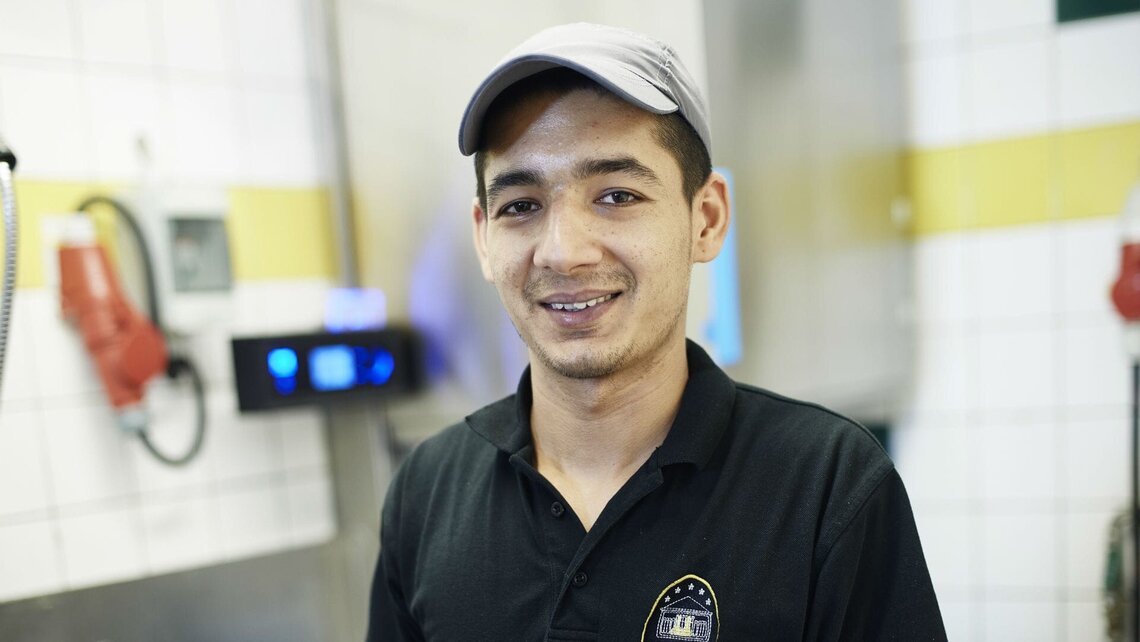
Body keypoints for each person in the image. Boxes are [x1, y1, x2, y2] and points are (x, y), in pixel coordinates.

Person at [368, 22, 946, 641]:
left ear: (707, 219)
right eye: (521, 206)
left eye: (617, 195)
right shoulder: (427, 493)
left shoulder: (825, 486)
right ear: (484, 238)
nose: (562, 253)